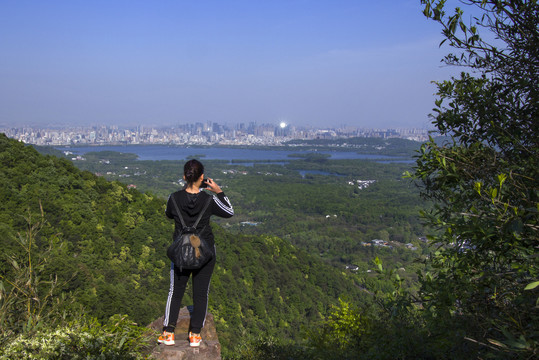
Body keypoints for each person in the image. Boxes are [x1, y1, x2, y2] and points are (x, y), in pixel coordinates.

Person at [158, 159, 234, 347]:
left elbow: (168, 214)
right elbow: (229, 212)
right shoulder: (209, 200)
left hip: (181, 252)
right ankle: (195, 335)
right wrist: (218, 191)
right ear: (202, 178)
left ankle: (168, 333)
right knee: (201, 294)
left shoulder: (173, 198)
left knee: (175, 292)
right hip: (205, 253)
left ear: (184, 177)